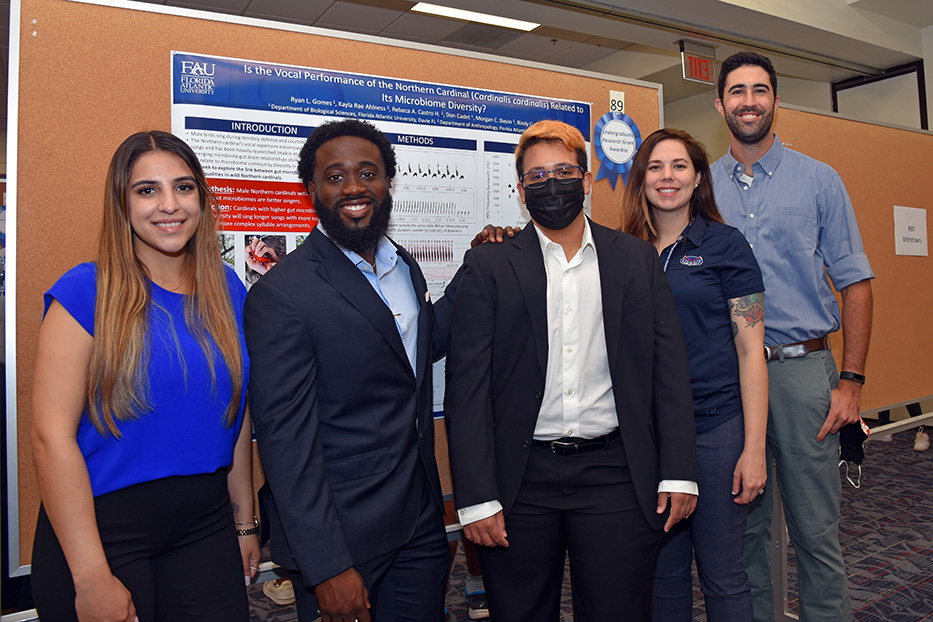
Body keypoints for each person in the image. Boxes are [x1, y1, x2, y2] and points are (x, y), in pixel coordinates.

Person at [243, 118, 513, 622]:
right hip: (345, 536)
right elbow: (286, 446)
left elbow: (418, 344)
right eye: (335, 176)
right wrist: (326, 567)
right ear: (312, 190)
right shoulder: (282, 295)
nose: (353, 187)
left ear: (387, 180)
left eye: (368, 172)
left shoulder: (402, 265)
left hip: (419, 520)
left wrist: (476, 266)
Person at [444, 119, 698, 622]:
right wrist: (474, 499)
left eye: (563, 171)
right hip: (519, 480)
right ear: (521, 191)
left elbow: (668, 371)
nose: (551, 183)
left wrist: (679, 473)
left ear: (585, 180)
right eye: (536, 176)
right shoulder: (489, 266)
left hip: (614, 475)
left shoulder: (634, 260)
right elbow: (466, 391)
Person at [30, 131, 259, 621]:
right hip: (104, 528)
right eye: (147, 190)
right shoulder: (85, 291)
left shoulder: (228, 288)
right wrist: (91, 578)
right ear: (122, 202)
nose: (169, 205)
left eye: (184, 187)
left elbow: (235, 414)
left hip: (205, 522)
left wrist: (245, 523)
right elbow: (50, 437)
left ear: (201, 196)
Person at [711, 51, 874, 622]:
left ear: (776, 101)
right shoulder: (700, 188)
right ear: (720, 104)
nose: (749, 101)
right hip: (730, 379)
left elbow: (856, 282)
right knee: (743, 534)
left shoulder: (819, 180)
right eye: (737, 91)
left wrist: (851, 381)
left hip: (806, 374)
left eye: (760, 90)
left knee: (815, 531)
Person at [622, 128, 768, 620]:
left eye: (679, 166)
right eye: (656, 167)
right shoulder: (624, 252)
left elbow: (752, 352)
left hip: (716, 429)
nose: (668, 177)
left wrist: (753, 449)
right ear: (641, 179)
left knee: (722, 574)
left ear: (698, 176)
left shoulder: (726, 245)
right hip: (651, 438)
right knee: (662, 574)